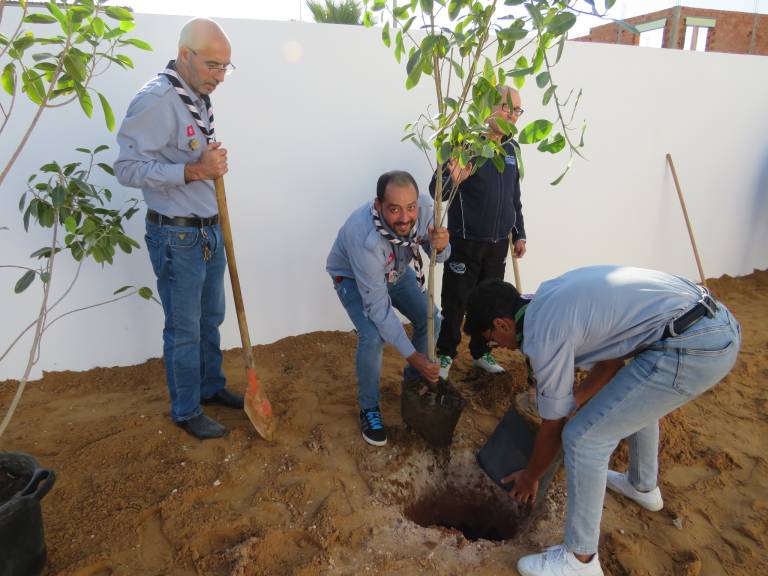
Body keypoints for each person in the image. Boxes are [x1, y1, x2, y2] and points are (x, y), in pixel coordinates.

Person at [463, 266, 741, 576]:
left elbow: (554, 428)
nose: (499, 347)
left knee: (583, 439)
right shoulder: (547, 295)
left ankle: (579, 560)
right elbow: (612, 363)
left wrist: (530, 476)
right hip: (712, 321)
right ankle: (642, 485)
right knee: (632, 392)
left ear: (501, 324)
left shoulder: (544, 335)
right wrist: (575, 399)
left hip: (694, 347)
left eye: (492, 340)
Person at [115, 18, 243, 440]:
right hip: (177, 236)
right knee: (184, 329)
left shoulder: (196, 96)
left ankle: (210, 387)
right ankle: (186, 410)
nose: (220, 77)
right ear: (185, 55)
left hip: (208, 231)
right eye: (212, 65)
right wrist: (193, 171)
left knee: (211, 319)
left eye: (225, 67)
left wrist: (203, 167)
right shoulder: (156, 100)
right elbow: (127, 169)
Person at [326, 171, 450, 446]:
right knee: (373, 336)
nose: (405, 218)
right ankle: (369, 407)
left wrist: (442, 247)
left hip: (395, 269)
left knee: (432, 318)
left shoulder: (426, 210)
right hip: (353, 276)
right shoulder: (364, 238)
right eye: (394, 210)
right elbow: (379, 308)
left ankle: (413, 385)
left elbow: (440, 256)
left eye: (410, 207)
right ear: (379, 205)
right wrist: (414, 357)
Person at [431, 85, 527, 380]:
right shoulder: (465, 143)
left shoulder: (511, 150)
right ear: (487, 108)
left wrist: (519, 233)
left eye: (517, 110)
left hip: (498, 245)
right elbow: (437, 191)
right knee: (456, 302)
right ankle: (446, 353)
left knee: (490, 304)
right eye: (506, 108)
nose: (512, 115)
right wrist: (452, 177)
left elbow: (513, 197)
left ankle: (480, 352)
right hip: (465, 242)